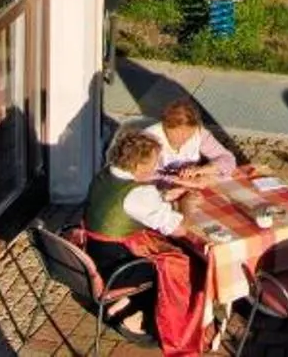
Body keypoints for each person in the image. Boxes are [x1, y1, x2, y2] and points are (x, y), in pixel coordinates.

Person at [81, 129, 209, 357]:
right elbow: (178, 228)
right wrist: (187, 208)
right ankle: (176, 328)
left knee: (167, 248)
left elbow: (130, 205)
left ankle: (129, 304)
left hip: (95, 254)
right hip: (120, 268)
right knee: (187, 263)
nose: (156, 167)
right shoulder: (139, 193)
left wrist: (164, 197)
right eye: (153, 163)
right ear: (139, 166)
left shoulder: (105, 175)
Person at [144, 97, 236, 179]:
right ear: (165, 126)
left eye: (189, 134)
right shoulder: (148, 139)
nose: (183, 139)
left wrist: (200, 170)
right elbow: (140, 174)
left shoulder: (199, 134)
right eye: (178, 133)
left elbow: (228, 159)